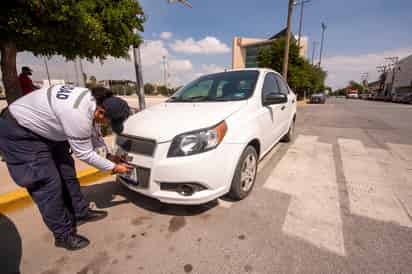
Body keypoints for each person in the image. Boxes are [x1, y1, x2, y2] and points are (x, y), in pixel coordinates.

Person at [0, 84, 132, 251]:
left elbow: (94, 133)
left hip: (48, 129)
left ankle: (80, 212)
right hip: (19, 132)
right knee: (47, 184)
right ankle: (63, 234)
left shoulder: (94, 104)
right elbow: (85, 154)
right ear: (100, 112)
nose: (108, 124)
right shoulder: (78, 114)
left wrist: (109, 156)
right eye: (110, 122)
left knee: (67, 173)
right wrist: (114, 167)